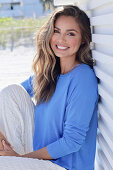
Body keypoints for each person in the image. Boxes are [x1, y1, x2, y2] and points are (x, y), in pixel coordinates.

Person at [0, 5, 98, 170]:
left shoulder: (83, 77)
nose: (61, 39)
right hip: (38, 159)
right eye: (56, 31)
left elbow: (72, 141)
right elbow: (11, 100)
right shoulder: (50, 73)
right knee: (11, 92)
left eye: (70, 34)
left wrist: (21, 159)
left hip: (63, 167)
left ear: (83, 40)